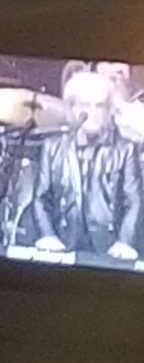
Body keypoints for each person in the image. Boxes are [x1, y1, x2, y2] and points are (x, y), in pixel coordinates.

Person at [33, 69, 144, 260]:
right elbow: (40, 199)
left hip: (110, 250)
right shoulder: (53, 148)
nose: (93, 113)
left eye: (100, 106)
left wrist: (125, 241)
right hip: (63, 246)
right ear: (73, 108)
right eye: (86, 105)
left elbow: (134, 200)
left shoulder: (125, 149)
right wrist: (47, 235)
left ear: (109, 110)